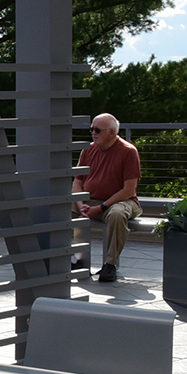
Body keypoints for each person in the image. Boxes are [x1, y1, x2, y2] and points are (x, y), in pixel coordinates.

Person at [74, 111, 142, 284]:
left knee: (117, 215)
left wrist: (101, 208)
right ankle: (75, 258)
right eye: (91, 129)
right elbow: (77, 182)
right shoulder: (87, 150)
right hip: (90, 200)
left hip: (120, 201)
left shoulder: (128, 151)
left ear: (112, 132)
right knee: (57, 208)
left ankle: (110, 264)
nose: (93, 133)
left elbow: (128, 190)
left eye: (97, 130)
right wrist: (81, 204)